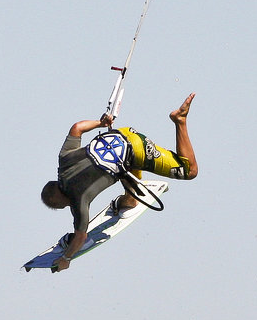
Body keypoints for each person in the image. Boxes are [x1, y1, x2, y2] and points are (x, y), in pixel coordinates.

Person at [40, 93, 199, 272]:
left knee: (190, 171)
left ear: (61, 201)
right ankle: (126, 202)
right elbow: (77, 128)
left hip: (138, 150)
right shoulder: (64, 160)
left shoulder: (78, 200)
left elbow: (81, 237)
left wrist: (66, 258)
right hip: (121, 135)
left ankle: (180, 120)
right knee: (126, 189)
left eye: (62, 207)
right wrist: (101, 123)